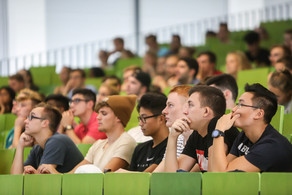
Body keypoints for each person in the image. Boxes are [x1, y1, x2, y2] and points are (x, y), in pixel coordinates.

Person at [39, 95, 137, 173]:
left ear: (118, 117)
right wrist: (51, 172)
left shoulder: (126, 142)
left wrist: (54, 173)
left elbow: (104, 176)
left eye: (104, 113)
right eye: (98, 113)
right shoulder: (98, 144)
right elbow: (72, 175)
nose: (98, 117)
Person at [210, 83, 292, 172]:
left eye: (241, 105)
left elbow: (221, 175)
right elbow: (219, 169)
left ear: (259, 114)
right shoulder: (244, 136)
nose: (234, 109)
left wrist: (219, 131)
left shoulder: (271, 146)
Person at [164, 85, 239, 172]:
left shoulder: (218, 126)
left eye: (190, 105)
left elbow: (214, 175)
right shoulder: (197, 134)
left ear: (206, 111)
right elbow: (172, 177)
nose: (184, 111)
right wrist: (172, 137)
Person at [11, 103, 84, 174]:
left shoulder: (57, 140)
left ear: (45, 123)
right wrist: (20, 146)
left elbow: (43, 178)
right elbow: (16, 177)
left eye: (31, 117)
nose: (25, 121)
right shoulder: (37, 148)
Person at [116, 93, 169, 172]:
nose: (140, 124)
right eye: (140, 118)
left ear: (161, 119)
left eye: (144, 118)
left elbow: (146, 177)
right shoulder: (140, 149)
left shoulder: (171, 147)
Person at [153, 85, 193, 172]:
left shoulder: (199, 138)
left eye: (170, 105)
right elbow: (157, 175)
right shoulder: (178, 137)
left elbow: (172, 178)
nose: (164, 111)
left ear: (187, 108)